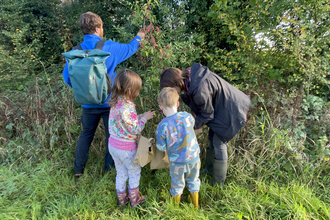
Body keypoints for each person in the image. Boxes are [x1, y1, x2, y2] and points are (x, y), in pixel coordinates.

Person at [62, 12, 145, 177]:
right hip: (109, 103)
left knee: (86, 134)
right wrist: (139, 37)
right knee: (111, 136)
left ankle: (78, 170)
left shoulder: (75, 52)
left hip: (87, 104)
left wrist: (84, 90)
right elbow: (131, 48)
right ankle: (108, 171)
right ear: (98, 28)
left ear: (83, 29)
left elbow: (67, 78)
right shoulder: (109, 47)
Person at [159, 63, 251, 187]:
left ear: (176, 83)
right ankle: (209, 169)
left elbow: (207, 114)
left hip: (232, 110)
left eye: (170, 89)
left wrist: (188, 127)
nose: (171, 93)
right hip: (223, 108)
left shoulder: (199, 89)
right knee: (212, 137)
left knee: (219, 142)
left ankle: (219, 183)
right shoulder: (191, 78)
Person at [108, 69, 155, 207]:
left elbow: (124, 123)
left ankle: (122, 200)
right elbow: (135, 129)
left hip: (113, 145)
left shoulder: (115, 102)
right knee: (134, 172)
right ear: (129, 90)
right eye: (137, 89)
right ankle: (135, 201)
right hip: (127, 148)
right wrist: (144, 119)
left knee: (121, 173)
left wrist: (140, 116)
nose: (138, 92)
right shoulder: (128, 107)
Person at [155, 87, 200, 208]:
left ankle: (174, 207)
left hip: (177, 162)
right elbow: (192, 126)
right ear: (178, 103)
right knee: (194, 180)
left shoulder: (162, 126)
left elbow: (160, 146)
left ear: (161, 107)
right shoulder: (187, 117)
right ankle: (195, 205)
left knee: (177, 183)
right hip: (194, 157)